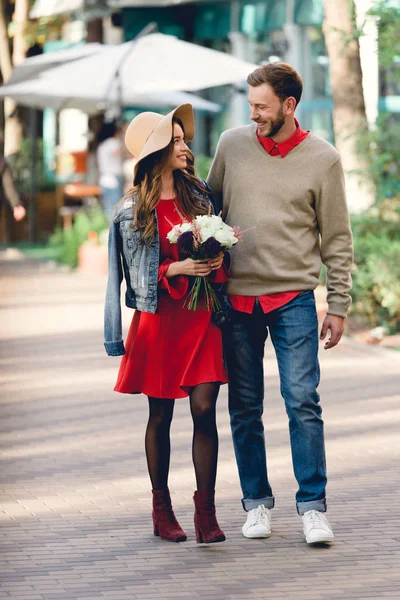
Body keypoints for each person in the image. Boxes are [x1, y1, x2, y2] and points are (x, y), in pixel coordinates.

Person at [207, 62, 353, 545]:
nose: (254, 116)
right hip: (238, 299)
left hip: (292, 299)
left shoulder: (324, 159)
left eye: (262, 107)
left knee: (302, 403)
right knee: (245, 408)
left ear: (290, 106)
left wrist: (338, 304)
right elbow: (207, 211)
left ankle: (312, 506)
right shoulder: (231, 145)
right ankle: (256, 504)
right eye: (250, 106)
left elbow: (336, 238)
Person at [104, 104, 227, 544]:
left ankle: (206, 513)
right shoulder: (132, 209)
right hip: (160, 321)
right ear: (156, 150)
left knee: (204, 409)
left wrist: (216, 260)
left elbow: (221, 246)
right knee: (160, 415)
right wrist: (175, 271)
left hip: (201, 318)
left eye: (183, 138)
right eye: (175, 140)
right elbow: (134, 278)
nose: (185, 145)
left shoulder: (201, 195)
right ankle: (161, 509)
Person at [96, 121, 124, 221]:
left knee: (108, 210)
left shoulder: (101, 146)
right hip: (114, 180)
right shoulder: (113, 143)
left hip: (104, 180)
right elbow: (120, 152)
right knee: (117, 211)